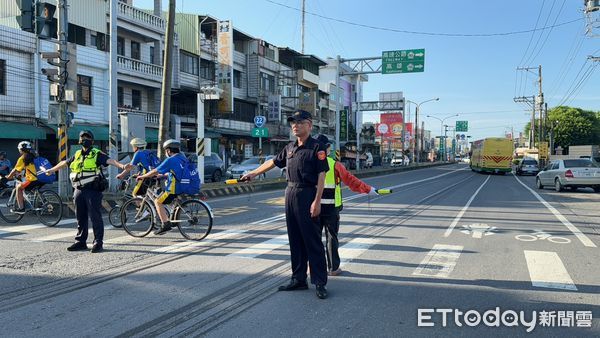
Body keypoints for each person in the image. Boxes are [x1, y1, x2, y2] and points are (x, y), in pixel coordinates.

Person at [241, 110, 330, 299]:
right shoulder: (289, 147)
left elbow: (322, 176)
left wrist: (317, 201)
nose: (295, 125)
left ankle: (320, 282)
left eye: (299, 122)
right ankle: (298, 279)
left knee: (312, 240)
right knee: (295, 239)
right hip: (290, 193)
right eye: (292, 122)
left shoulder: (317, 147)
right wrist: (253, 173)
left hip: (308, 193)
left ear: (310, 125)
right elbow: (272, 162)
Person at [42, 130, 127, 253]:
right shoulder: (77, 154)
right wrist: (51, 170)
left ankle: (98, 242)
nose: (84, 139)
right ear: (79, 140)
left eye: (87, 137)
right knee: (80, 217)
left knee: (95, 217)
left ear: (92, 141)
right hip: (78, 189)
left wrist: (122, 166)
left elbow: (110, 161)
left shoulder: (96, 153)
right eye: (82, 137)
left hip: (93, 189)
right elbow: (65, 163)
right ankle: (80, 242)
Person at [315, 134, 380, 276]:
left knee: (314, 239)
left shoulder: (308, 163)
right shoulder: (334, 164)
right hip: (331, 208)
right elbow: (351, 181)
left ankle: (313, 268)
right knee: (331, 238)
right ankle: (333, 269)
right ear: (328, 148)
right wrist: (368, 189)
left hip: (313, 207)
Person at [135, 139, 187, 235]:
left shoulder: (170, 159)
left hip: (174, 187)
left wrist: (143, 176)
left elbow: (155, 171)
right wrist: (163, 175)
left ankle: (165, 225)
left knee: (157, 202)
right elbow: (177, 172)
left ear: (168, 151)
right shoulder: (183, 158)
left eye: (166, 150)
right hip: (184, 185)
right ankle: (171, 217)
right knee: (167, 200)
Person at [4, 141, 42, 213]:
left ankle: (21, 208)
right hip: (41, 177)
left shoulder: (23, 158)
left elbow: (15, 170)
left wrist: (8, 177)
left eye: (19, 149)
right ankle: (35, 203)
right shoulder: (35, 155)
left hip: (33, 179)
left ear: (22, 149)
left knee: (18, 188)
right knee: (29, 188)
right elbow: (29, 168)